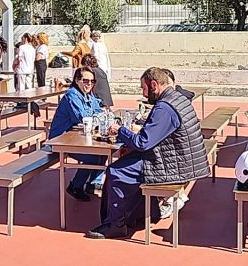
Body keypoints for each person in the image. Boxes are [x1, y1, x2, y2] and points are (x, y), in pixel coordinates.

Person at [88, 67, 208, 239]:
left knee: (116, 171)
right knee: (128, 159)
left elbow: (143, 143)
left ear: (154, 85)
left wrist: (120, 130)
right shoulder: (177, 98)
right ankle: (137, 215)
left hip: (176, 166)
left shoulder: (165, 108)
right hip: (183, 160)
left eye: (144, 89)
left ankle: (116, 224)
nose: (143, 94)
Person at [50, 66, 104, 202]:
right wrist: (98, 117)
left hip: (76, 137)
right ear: (77, 80)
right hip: (60, 140)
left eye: (92, 81)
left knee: (103, 152)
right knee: (92, 157)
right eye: (86, 81)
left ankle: (93, 184)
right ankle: (75, 186)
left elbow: (98, 112)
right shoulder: (72, 96)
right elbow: (83, 117)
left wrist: (99, 116)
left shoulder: (89, 95)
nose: (89, 84)